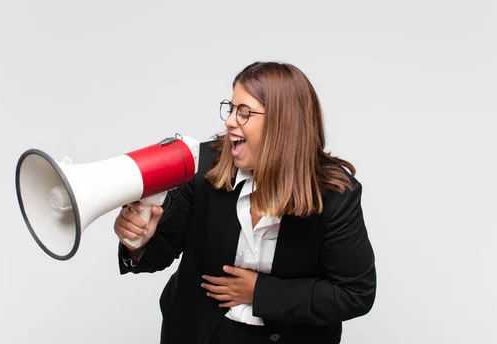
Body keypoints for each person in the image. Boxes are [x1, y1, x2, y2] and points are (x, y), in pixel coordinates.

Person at [114, 61, 376, 344]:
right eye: (231, 109)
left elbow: (356, 293)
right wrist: (136, 242)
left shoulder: (335, 194)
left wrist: (259, 293)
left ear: (282, 123)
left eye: (244, 113)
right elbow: (160, 251)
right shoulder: (204, 166)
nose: (229, 122)